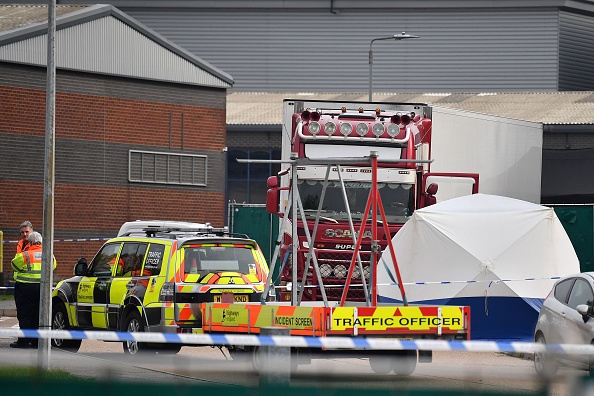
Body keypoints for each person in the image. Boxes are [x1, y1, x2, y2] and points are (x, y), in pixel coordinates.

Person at [10, 231, 57, 349]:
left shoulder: (24, 255)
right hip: (42, 288)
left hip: (25, 288)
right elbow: (53, 266)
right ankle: (37, 342)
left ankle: (24, 341)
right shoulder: (49, 255)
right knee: (38, 314)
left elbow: (14, 265)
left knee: (25, 315)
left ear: (30, 242)